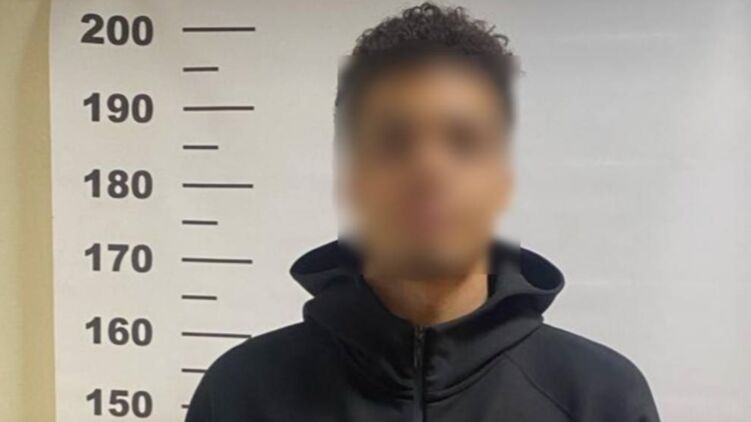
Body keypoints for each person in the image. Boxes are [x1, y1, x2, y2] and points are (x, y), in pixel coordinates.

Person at [185, 2, 660, 421]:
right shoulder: (241, 393)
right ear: (352, 176)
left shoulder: (601, 399)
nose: (428, 169)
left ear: (502, 179)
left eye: (464, 141)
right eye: (393, 140)